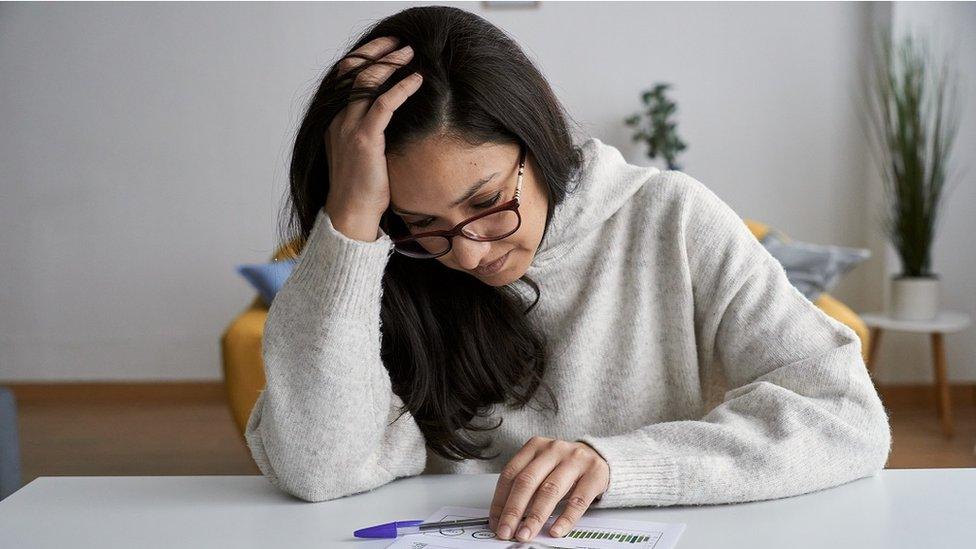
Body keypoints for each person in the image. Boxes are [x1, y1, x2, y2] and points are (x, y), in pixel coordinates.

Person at [245, 5, 891, 544]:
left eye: (486, 202)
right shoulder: (384, 257)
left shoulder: (671, 219)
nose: (467, 255)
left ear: (537, 135)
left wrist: (618, 464)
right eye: (425, 224)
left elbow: (846, 414)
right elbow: (318, 466)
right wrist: (353, 221)